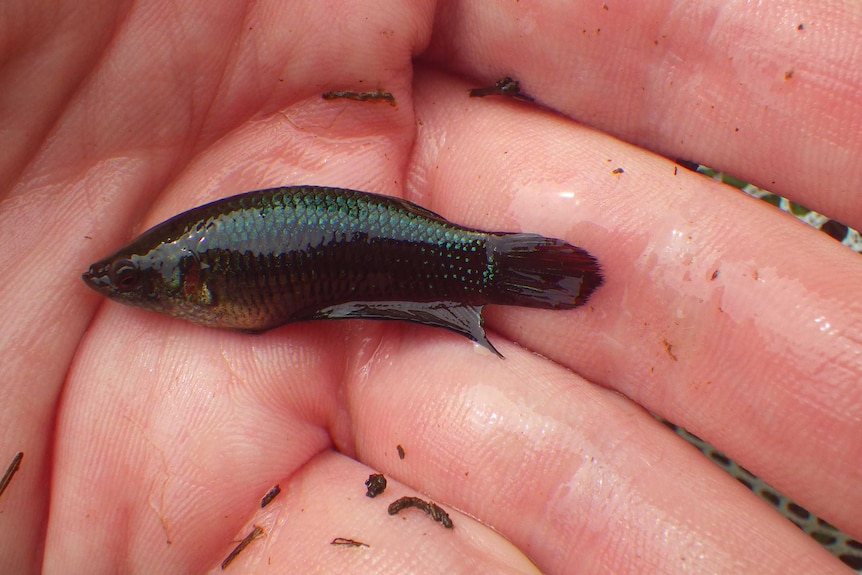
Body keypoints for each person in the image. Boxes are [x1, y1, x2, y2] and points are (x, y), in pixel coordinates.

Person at [1, 2, 859, 573]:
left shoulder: (205, 266)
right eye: (132, 280)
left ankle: (490, 267)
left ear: (189, 276)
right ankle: (489, 269)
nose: (119, 286)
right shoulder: (198, 263)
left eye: (136, 280)